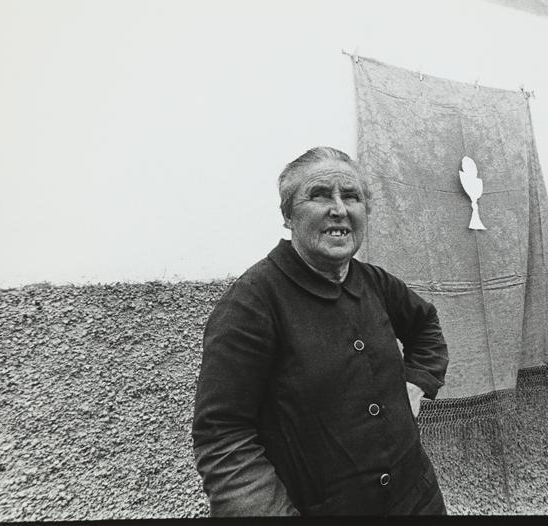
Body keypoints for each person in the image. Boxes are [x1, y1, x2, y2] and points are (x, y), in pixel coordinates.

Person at [192, 146, 449, 516]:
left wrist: (417, 383)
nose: (339, 209)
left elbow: (425, 325)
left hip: (418, 499)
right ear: (288, 215)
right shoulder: (252, 303)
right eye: (319, 195)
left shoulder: (373, 281)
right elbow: (223, 437)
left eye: (351, 196)